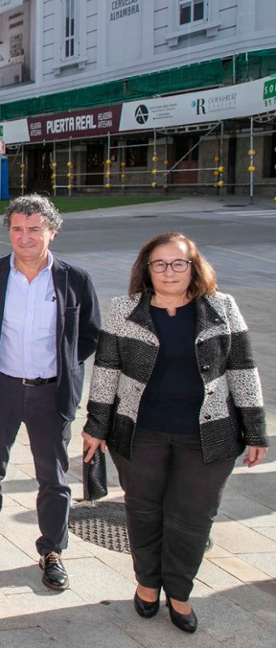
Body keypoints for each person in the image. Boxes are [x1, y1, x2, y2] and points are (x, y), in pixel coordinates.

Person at [81, 233, 267, 633]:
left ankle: (180, 593)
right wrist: (96, 426)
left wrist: (255, 432)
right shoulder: (125, 310)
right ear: (146, 270)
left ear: (193, 266)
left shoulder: (222, 308)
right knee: (143, 510)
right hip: (139, 434)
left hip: (208, 437)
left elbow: (243, 372)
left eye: (178, 263)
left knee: (193, 518)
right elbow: (106, 372)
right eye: (159, 264)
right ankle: (147, 585)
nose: (169, 271)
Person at [0, 194, 100, 591]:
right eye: (18, 229)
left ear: (52, 232)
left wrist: (61, 366)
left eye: (35, 229)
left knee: (53, 478)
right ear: (9, 230)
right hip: (0, 389)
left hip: (50, 394)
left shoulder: (75, 278)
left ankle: (52, 550)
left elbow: (88, 335)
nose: (25, 237)